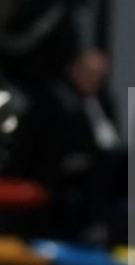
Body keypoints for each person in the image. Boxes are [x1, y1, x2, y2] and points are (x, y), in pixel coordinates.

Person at [16, 46, 123, 244]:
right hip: (57, 172)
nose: (93, 79)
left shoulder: (103, 102)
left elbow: (111, 140)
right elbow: (39, 145)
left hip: (98, 170)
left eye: (99, 74)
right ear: (73, 69)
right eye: (89, 72)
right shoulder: (52, 99)